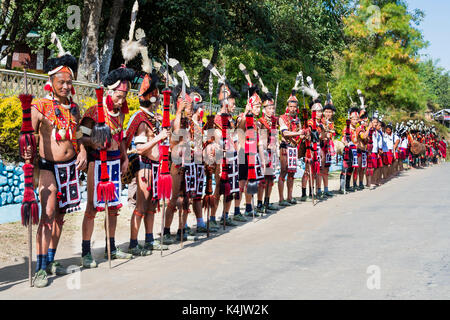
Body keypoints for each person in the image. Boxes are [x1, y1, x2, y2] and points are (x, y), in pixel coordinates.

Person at [26, 48, 84, 288]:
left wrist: (82, 151)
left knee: (61, 217)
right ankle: (40, 268)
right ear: (51, 81)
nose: (66, 87)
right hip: (48, 167)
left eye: (69, 83)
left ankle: (50, 260)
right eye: (62, 82)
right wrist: (27, 149)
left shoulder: (74, 108)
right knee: (47, 215)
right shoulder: (39, 106)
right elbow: (27, 135)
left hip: (71, 169)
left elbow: (79, 134)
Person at [79, 65, 135, 267]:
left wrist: (125, 157)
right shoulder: (94, 111)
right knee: (93, 207)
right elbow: (80, 135)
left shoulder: (120, 114)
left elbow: (119, 138)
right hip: (97, 163)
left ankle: (111, 246)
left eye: (125, 96)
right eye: (119, 96)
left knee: (113, 208)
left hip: (114, 163)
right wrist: (88, 146)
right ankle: (86, 252)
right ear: (110, 92)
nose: (122, 100)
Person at [124, 70, 170, 255]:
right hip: (143, 166)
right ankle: (134, 244)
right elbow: (141, 149)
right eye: (156, 97)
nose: (158, 101)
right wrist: (159, 137)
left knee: (152, 205)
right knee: (141, 206)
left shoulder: (153, 117)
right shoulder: (140, 119)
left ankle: (150, 240)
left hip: (155, 167)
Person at [278, 92, 303, 204]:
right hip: (285, 147)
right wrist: (298, 133)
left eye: (294, 107)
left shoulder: (298, 120)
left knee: (292, 173)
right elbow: (285, 133)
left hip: (294, 148)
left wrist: (303, 134)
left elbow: (301, 132)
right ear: (287, 106)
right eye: (291, 106)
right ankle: (281, 199)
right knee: (283, 172)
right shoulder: (282, 118)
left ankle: (290, 197)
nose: (292, 109)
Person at [256, 92, 278, 214]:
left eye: (273, 108)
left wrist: (275, 144)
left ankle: (267, 201)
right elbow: (261, 138)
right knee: (263, 179)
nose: (271, 110)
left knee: (270, 178)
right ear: (264, 110)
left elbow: (275, 135)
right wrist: (266, 146)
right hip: (263, 152)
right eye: (269, 108)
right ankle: (259, 203)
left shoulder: (274, 121)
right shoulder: (261, 122)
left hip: (272, 152)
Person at [319, 100, 336, 198]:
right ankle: (319, 189)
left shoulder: (331, 123)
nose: (328, 114)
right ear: (323, 112)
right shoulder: (321, 122)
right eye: (326, 112)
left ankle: (326, 189)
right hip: (321, 147)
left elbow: (332, 135)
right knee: (320, 169)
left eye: (330, 112)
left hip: (328, 148)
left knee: (326, 169)